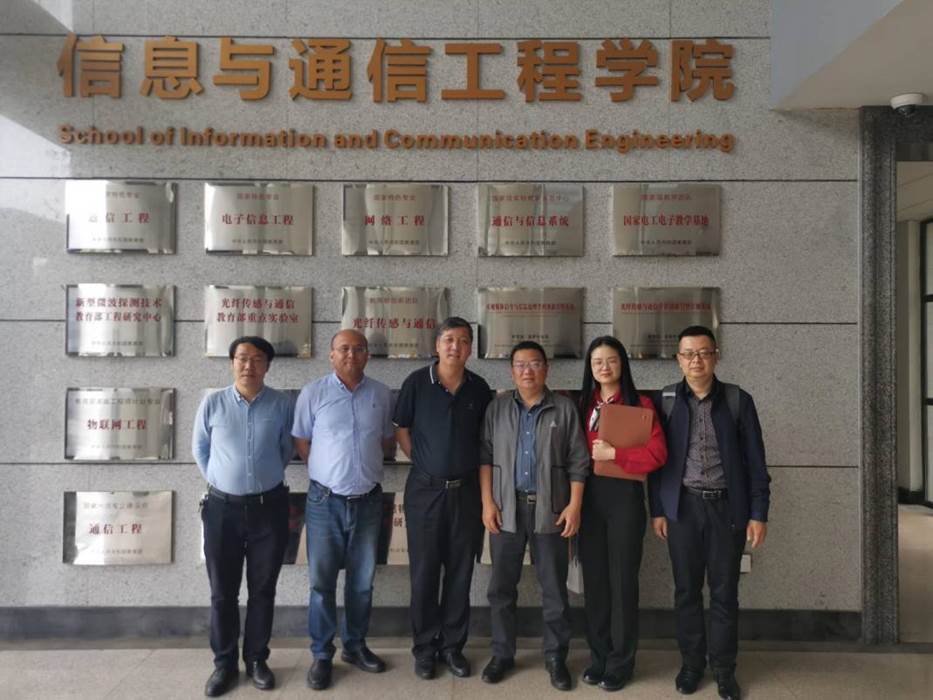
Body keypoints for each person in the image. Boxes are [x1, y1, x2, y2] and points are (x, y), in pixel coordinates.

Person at [648, 326, 771, 700]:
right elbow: (655, 463)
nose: (696, 360)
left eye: (703, 352)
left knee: (724, 592)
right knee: (686, 591)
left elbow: (756, 462)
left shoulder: (737, 400)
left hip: (726, 509)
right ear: (678, 359)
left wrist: (758, 513)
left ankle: (724, 669)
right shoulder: (666, 400)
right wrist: (658, 510)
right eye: (688, 354)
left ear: (716, 356)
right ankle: (691, 665)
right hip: (682, 509)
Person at [478, 340, 590, 692]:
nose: (528, 371)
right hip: (505, 509)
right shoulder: (497, 408)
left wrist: (574, 506)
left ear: (546, 368)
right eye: (521, 365)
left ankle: (556, 657)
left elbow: (579, 461)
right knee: (501, 588)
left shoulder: (564, 408)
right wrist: (487, 502)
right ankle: (502, 654)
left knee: (554, 589)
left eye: (535, 364)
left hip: (551, 511)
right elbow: (484, 457)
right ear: (511, 371)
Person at [292, 329, 396, 691]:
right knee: (321, 583)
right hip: (325, 502)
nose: (351, 354)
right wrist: (327, 472)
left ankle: (355, 646)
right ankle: (322, 654)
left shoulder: (381, 394)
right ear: (331, 354)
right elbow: (302, 440)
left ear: (368, 355)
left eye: (358, 349)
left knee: (362, 583)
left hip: (368, 501)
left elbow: (386, 440)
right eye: (344, 349)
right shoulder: (313, 393)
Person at [193, 336, 294, 697]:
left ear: (267, 365)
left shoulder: (281, 404)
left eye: (256, 359)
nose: (248, 365)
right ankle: (224, 664)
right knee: (222, 592)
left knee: (263, 590)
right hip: (222, 510)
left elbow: (286, 449)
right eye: (241, 358)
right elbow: (200, 449)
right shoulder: (213, 403)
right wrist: (224, 482)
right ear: (232, 363)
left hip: (270, 508)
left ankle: (256, 660)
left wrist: (262, 480)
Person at [393, 317, 492, 680]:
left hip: (466, 493)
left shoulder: (479, 388)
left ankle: (452, 647)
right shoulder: (416, 383)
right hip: (425, 492)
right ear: (436, 345)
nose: (455, 346)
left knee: (460, 573)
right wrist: (421, 460)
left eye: (463, 341)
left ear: (470, 349)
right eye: (449, 339)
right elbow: (401, 428)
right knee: (424, 573)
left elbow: (484, 441)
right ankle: (424, 648)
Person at [577, 336, 667, 691]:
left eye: (611, 360)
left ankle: (621, 662)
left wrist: (616, 454)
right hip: (588, 499)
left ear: (622, 364)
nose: (604, 367)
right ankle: (599, 657)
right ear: (590, 367)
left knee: (622, 581)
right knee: (595, 582)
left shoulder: (640, 405)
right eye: (597, 361)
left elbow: (658, 454)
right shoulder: (582, 404)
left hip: (624, 498)